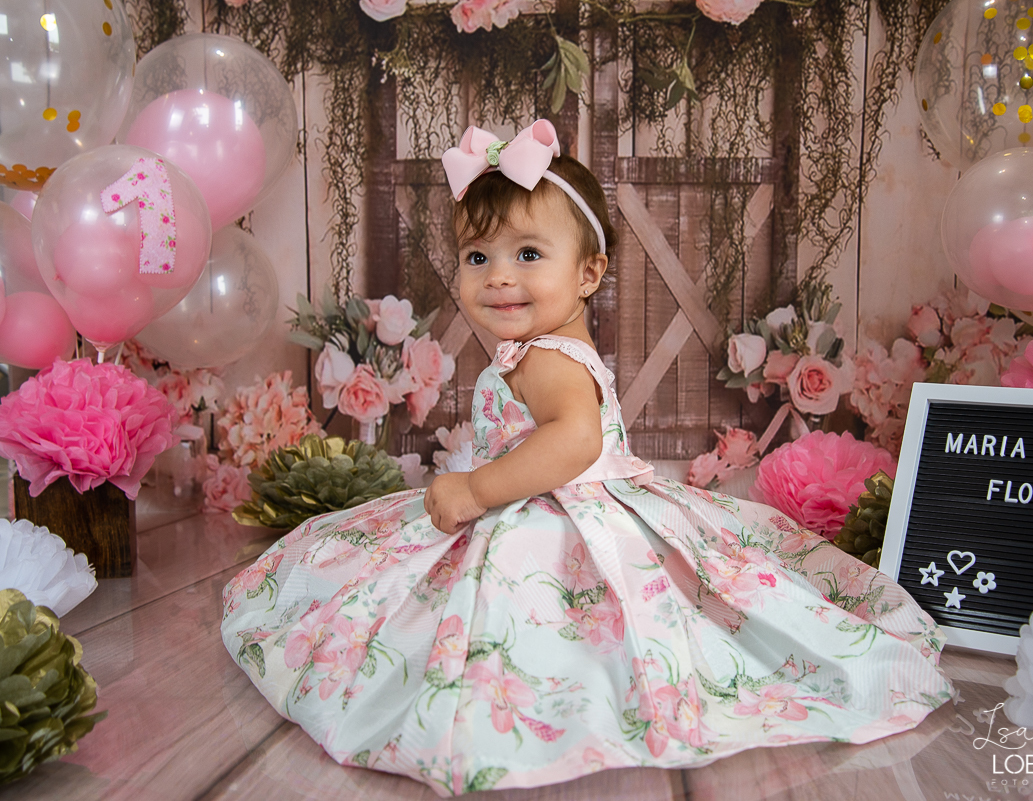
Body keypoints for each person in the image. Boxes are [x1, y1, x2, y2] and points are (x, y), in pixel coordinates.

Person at [221, 120, 952, 797]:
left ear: (589, 273)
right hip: (556, 497)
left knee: (541, 614)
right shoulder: (533, 350)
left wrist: (476, 488)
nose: (499, 276)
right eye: (479, 257)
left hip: (555, 507)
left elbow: (574, 441)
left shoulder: (546, 362)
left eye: (528, 254)